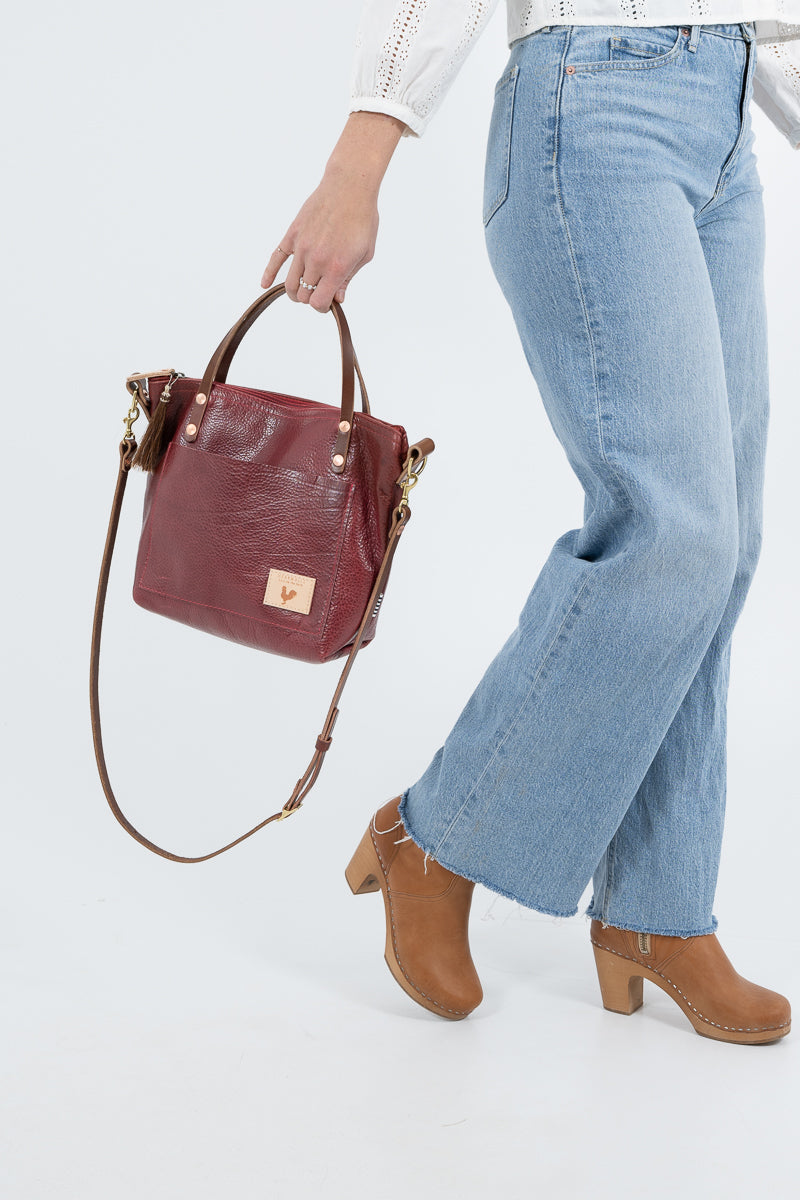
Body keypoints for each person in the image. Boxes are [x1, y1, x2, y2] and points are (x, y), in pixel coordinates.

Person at [260, 4, 799, 1044]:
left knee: (719, 551)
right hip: (593, 105)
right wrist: (358, 159)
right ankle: (433, 837)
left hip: (726, 117)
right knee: (674, 531)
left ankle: (657, 910)